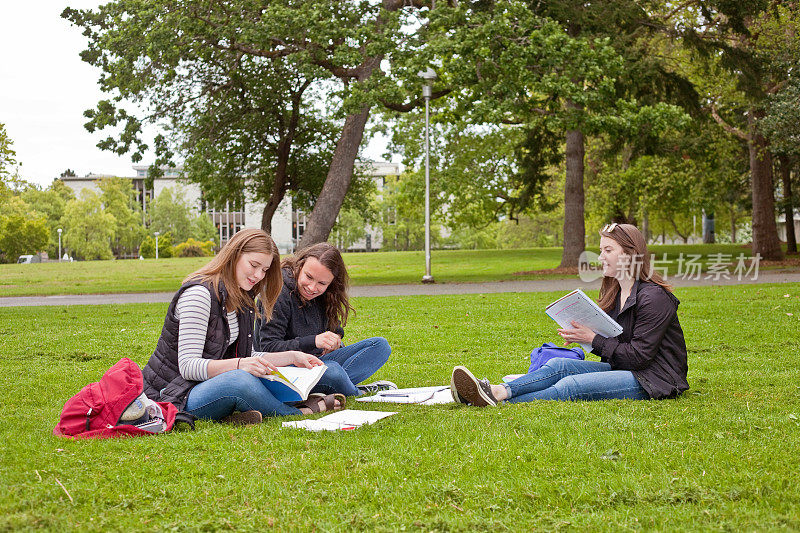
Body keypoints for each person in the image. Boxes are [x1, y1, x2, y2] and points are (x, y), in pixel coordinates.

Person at [451, 223, 689, 406]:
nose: (601, 257)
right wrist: (584, 336)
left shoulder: (654, 297)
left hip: (654, 379)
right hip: (628, 368)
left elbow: (639, 357)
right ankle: (496, 391)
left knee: (571, 385)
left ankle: (491, 401)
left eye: (608, 250)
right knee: (559, 365)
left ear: (630, 255)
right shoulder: (615, 292)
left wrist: (592, 339)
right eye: (601, 250)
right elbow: (617, 345)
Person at [142, 229, 353, 426]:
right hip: (174, 394)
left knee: (269, 374)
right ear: (234, 255)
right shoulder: (199, 295)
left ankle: (245, 410)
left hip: (207, 385)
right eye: (254, 265)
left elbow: (249, 354)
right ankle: (297, 413)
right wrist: (240, 364)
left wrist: (293, 357)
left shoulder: (241, 297)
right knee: (240, 379)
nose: (259, 275)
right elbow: (188, 366)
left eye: (265, 270)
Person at [254, 242, 394, 394]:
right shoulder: (278, 290)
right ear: (299, 266)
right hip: (286, 369)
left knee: (380, 346)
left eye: (322, 283)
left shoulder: (327, 294)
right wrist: (313, 341)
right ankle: (353, 390)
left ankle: (333, 385)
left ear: (331, 283)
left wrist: (334, 341)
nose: (312, 288)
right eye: (309, 277)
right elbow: (268, 348)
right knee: (333, 371)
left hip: (317, 363)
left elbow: (336, 329)